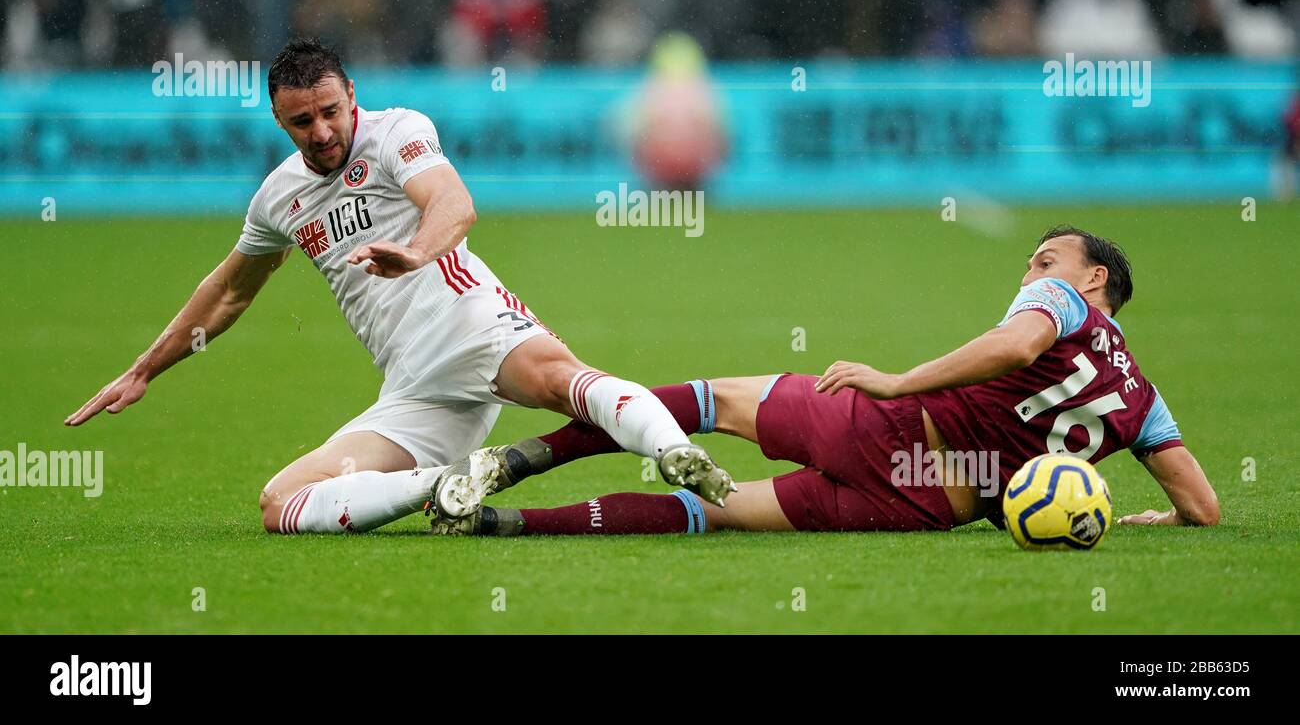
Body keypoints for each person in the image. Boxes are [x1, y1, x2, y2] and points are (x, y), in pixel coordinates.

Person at [66, 37, 736, 534]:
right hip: (412, 386)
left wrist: (416, 251)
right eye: (303, 122)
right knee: (282, 504)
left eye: (331, 110)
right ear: (278, 119)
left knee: (563, 380)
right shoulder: (279, 197)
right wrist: (145, 369)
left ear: (351, 93)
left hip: (471, 325)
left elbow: (453, 201)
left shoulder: (396, 134)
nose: (323, 131)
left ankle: (675, 453)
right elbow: (229, 292)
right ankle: (447, 485)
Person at [435, 227, 1220, 536]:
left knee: (707, 403)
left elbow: (1014, 349)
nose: (1030, 270)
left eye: (1045, 259)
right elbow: (1202, 508)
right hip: (921, 504)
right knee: (717, 512)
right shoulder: (1145, 399)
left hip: (892, 428)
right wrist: (1141, 519)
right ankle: (504, 528)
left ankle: (520, 459)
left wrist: (897, 380)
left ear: (1093, 281)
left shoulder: (1060, 302)